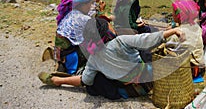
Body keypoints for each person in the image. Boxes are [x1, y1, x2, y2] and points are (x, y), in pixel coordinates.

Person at [38, 17, 186, 100]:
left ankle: (57, 80)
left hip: (127, 92)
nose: (112, 27)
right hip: (148, 83)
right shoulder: (121, 41)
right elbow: (146, 40)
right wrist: (172, 31)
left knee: (94, 81)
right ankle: (58, 80)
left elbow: (85, 80)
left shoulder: (94, 58)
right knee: (145, 52)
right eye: (110, 25)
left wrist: (62, 81)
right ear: (107, 30)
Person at [55, 0, 93, 74]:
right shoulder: (83, 18)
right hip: (72, 55)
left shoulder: (70, 14)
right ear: (82, 5)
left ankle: (61, 63)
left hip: (61, 51)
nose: (91, 6)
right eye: (90, 4)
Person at [167, 0, 204, 78]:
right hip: (199, 66)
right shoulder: (196, 27)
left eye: (173, 12)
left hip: (188, 70)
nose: (172, 14)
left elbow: (168, 46)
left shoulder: (177, 34)